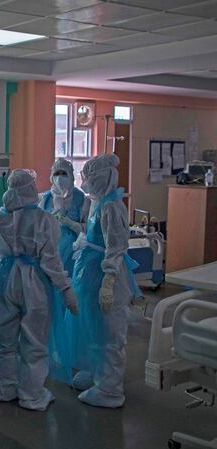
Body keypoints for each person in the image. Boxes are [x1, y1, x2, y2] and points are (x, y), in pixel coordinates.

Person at [0, 169, 78, 411]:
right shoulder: (43, 219)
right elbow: (51, 261)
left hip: (4, 279)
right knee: (35, 339)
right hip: (34, 282)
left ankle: (6, 387)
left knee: (4, 337)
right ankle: (32, 394)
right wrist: (66, 289)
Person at [72, 154, 141, 408]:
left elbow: (116, 246)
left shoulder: (112, 206)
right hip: (92, 272)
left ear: (101, 179)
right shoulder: (98, 203)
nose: (84, 183)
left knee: (109, 331)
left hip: (105, 274)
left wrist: (109, 280)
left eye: (88, 178)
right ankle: (95, 372)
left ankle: (110, 388)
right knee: (93, 326)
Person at [39, 159, 91, 388]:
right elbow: (36, 224)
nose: (61, 177)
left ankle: (70, 350)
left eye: (65, 173)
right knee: (49, 303)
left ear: (72, 175)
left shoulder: (82, 199)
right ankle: (51, 350)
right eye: (57, 173)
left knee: (70, 301)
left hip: (73, 255)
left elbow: (87, 228)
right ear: (51, 175)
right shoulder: (45, 198)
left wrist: (68, 222)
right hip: (49, 255)